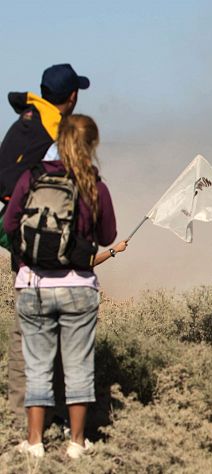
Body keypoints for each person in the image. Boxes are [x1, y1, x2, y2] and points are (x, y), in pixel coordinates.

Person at [4, 114, 121, 459]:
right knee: (78, 366)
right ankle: (77, 443)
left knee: (37, 366)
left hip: (33, 284)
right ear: (92, 145)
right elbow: (108, 236)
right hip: (78, 287)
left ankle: (34, 443)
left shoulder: (32, 177)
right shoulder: (95, 186)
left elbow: (9, 223)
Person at [0, 64, 91, 427]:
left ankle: (20, 418)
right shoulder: (57, 131)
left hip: (24, 239)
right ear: (73, 96)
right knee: (62, 332)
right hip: (59, 250)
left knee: (27, 329)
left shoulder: (25, 120)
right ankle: (55, 418)